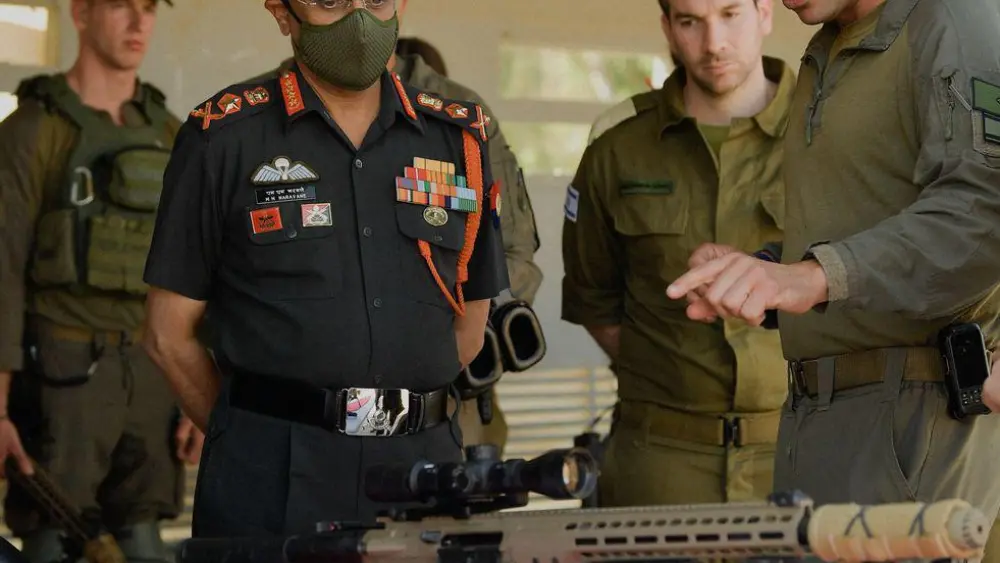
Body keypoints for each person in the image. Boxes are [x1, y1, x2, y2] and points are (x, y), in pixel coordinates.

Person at [141, 0, 508, 537]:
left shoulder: (457, 141)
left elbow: (470, 325)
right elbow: (167, 334)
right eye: (330, 1)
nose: (360, 20)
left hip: (424, 467)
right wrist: (249, 433)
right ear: (282, 12)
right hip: (274, 476)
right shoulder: (223, 137)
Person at [665, 0, 1000, 548]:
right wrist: (766, 274)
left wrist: (813, 277)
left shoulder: (955, 17)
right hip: (818, 419)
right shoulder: (828, 43)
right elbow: (864, 222)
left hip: (918, 420)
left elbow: (984, 211)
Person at [248, 0, 543, 455]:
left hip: (443, 412)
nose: (356, 17)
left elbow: (511, 258)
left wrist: (425, 345)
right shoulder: (247, 123)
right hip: (293, 430)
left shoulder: (458, 116)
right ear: (283, 11)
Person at [561, 0, 796, 507]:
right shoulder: (618, 148)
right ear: (668, 28)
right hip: (660, 458)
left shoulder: (825, 136)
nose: (713, 44)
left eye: (731, 14)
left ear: (765, 14)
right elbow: (595, 301)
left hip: (801, 449)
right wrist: (673, 373)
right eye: (691, 21)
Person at [0, 1, 201, 562]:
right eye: (121, 6)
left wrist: (197, 398)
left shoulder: (171, 134)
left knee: (144, 543)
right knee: (50, 542)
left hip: (154, 376)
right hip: (62, 379)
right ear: (81, 13)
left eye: (148, 9)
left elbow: (199, 277)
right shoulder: (33, 131)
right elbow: (2, 273)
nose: (139, 23)